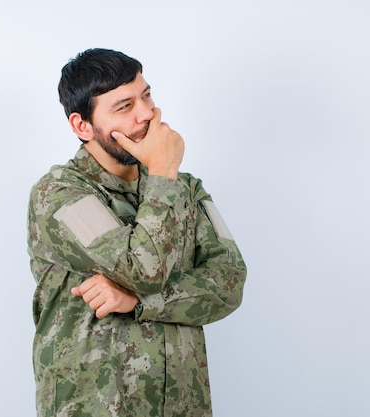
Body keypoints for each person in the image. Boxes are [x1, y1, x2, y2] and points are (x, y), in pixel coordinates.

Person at [27, 48, 247, 417]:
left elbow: (230, 283)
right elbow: (141, 270)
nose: (147, 114)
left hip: (182, 405)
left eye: (146, 96)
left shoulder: (185, 188)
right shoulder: (61, 195)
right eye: (124, 106)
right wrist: (162, 171)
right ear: (83, 126)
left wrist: (139, 303)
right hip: (98, 406)